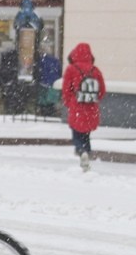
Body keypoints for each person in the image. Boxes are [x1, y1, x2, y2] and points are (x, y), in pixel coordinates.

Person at [61, 42, 106, 172]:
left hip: (76, 106)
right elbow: (102, 91)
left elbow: (66, 89)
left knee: (76, 133)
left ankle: (81, 151)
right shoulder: (95, 70)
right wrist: (93, 100)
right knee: (86, 133)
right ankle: (87, 152)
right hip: (91, 107)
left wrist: (69, 102)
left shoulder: (71, 69)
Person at [35, 44, 62, 117]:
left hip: (43, 83)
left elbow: (39, 72)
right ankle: (50, 113)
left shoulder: (41, 60)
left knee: (43, 101)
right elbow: (59, 72)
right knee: (51, 101)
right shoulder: (56, 60)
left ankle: (44, 113)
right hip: (53, 83)